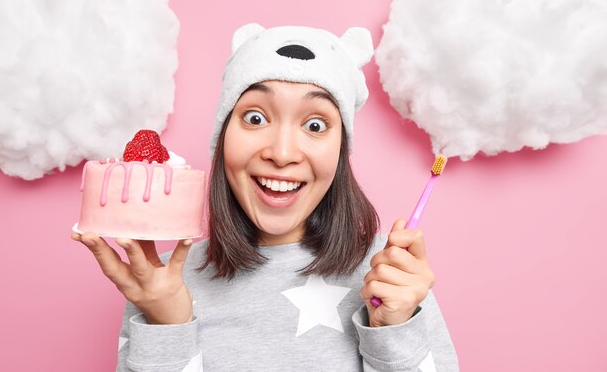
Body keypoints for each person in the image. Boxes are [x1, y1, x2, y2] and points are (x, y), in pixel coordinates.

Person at [72, 23, 459, 372]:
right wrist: (167, 323)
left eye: (315, 124)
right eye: (255, 118)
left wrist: (393, 331)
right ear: (223, 139)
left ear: (340, 151)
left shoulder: (391, 276)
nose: (282, 151)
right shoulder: (163, 281)